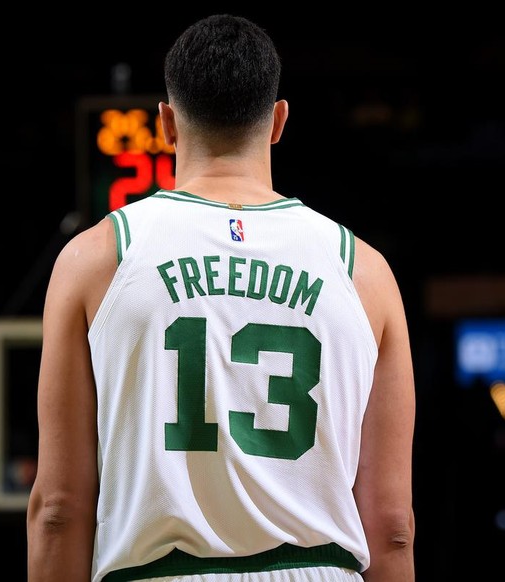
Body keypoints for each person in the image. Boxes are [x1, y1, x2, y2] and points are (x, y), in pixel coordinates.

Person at [27, 13, 416, 582]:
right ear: (279, 120)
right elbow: (393, 526)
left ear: (165, 122)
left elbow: (58, 511)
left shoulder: (94, 259)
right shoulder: (366, 272)